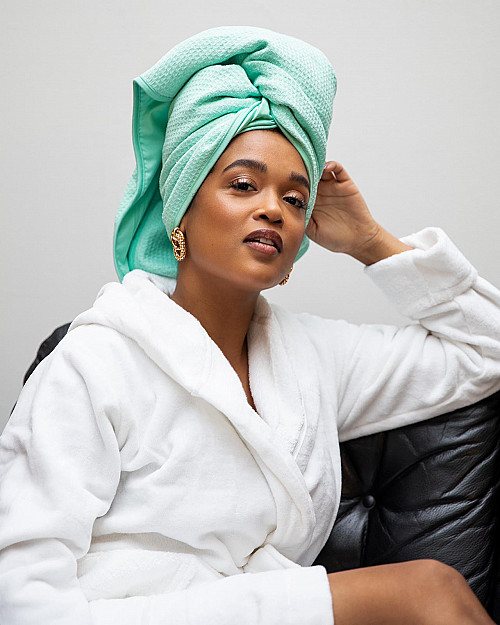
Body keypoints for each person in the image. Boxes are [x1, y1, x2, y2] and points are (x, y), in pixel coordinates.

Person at [1, 25, 499, 625]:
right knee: (425, 589)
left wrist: (370, 242)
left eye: (295, 199)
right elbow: (22, 598)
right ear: (181, 208)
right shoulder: (93, 365)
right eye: (242, 185)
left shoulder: (312, 358)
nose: (272, 208)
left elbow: (487, 351)